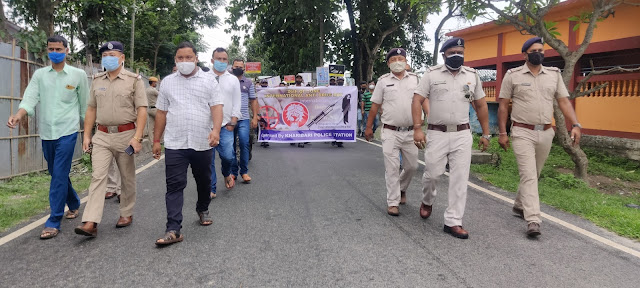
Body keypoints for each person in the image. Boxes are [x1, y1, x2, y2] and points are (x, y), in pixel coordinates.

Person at [498, 37, 582, 237]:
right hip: (521, 131)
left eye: (541, 50)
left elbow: (563, 102)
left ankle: (519, 205)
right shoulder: (513, 75)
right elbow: (502, 106)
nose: (539, 53)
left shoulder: (553, 75)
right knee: (528, 175)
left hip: (545, 132)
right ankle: (533, 219)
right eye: (534, 50)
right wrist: (502, 132)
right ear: (525, 54)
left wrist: (576, 124)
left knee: (534, 173)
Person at [6, 35, 88, 239]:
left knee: (59, 174)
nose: (55, 52)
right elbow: (30, 98)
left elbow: (86, 107)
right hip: (47, 132)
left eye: (59, 49)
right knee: (55, 172)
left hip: (68, 132)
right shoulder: (40, 75)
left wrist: (88, 133)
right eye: (51, 49)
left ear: (67, 51)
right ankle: (75, 202)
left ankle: (53, 220)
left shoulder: (78, 75)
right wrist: (18, 115)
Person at [412, 37, 490, 240]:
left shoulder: (472, 75)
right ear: (444, 54)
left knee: (459, 178)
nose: (457, 55)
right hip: (437, 133)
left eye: (461, 52)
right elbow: (417, 100)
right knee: (432, 174)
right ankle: (427, 200)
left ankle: (453, 221)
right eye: (453, 52)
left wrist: (486, 133)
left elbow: (481, 105)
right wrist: (418, 128)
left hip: (463, 134)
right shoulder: (431, 74)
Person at [152, 41, 223, 246]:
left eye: (188, 57)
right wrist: (157, 140)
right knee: (174, 185)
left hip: (202, 141)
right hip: (175, 142)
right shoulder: (167, 82)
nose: (184, 61)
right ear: (175, 60)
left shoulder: (209, 81)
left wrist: (215, 131)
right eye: (180, 58)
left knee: (203, 180)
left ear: (196, 58)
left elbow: (217, 107)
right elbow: (162, 113)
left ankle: (202, 208)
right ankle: (173, 228)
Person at [75, 41, 147, 237]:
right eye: (105, 55)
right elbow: (91, 109)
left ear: (122, 58)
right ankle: (90, 221)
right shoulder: (97, 80)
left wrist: (137, 137)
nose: (108, 58)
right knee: (98, 176)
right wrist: (87, 135)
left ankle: (126, 212)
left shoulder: (134, 80)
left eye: (113, 55)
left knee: (127, 176)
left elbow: (142, 109)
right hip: (103, 135)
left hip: (126, 135)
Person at [364, 48, 420, 217]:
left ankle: (402, 189)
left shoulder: (416, 80)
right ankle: (393, 202)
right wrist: (368, 128)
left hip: (411, 131)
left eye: (400, 58)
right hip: (390, 131)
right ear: (388, 63)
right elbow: (375, 106)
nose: (397, 61)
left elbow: (423, 101)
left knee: (412, 166)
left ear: (406, 61)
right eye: (393, 59)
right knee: (392, 167)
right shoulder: (382, 81)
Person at [210, 47, 242, 197]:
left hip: (226, 125)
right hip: (207, 126)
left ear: (227, 62)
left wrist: (233, 120)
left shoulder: (233, 80)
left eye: (224, 59)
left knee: (228, 156)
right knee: (208, 159)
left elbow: (237, 101)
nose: (221, 62)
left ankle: (226, 173)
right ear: (212, 60)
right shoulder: (204, 78)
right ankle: (211, 188)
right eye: (218, 59)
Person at [231, 59, 259, 183]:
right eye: (236, 66)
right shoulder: (226, 81)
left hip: (244, 119)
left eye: (240, 66)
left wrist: (254, 117)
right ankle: (232, 172)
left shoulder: (248, 83)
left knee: (244, 143)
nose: (238, 68)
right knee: (230, 147)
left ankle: (244, 172)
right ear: (232, 67)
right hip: (229, 119)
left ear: (244, 68)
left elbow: (253, 100)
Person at [147, 76, 161, 145]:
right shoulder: (153, 90)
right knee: (162, 123)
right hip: (155, 109)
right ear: (152, 82)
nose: (156, 84)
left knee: (150, 127)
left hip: (149, 109)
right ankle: (161, 141)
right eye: (155, 82)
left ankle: (151, 142)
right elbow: (161, 95)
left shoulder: (146, 90)